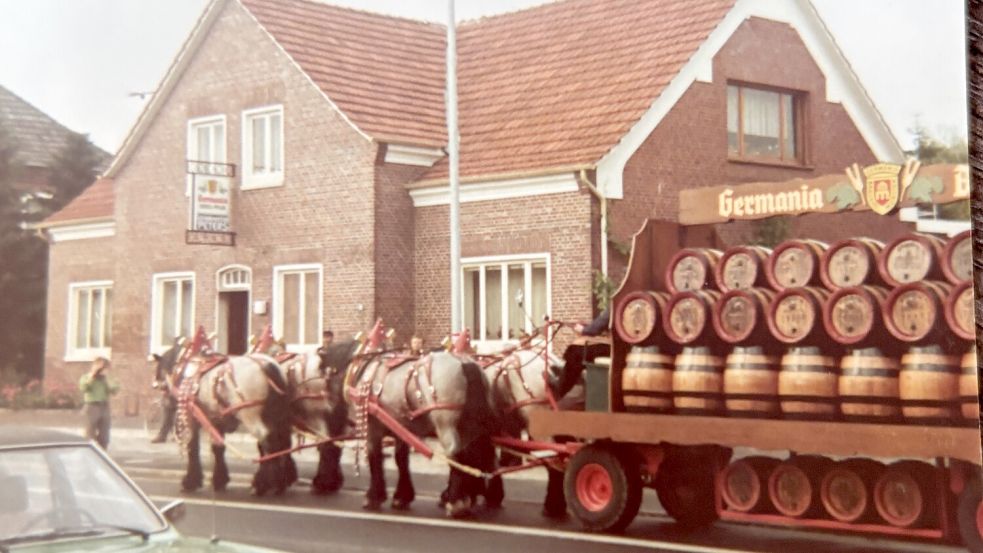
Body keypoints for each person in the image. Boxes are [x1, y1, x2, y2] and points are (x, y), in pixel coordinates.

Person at [78, 357, 119, 450]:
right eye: (100, 368)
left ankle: (103, 452)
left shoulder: (108, 378)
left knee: (104, 435)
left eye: (104, 368)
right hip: (91, 406)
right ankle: (89, 452)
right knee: (89, 433)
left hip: (104, 406)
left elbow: (115, 390)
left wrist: (106, 379)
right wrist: (92, 376)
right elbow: (83, 388)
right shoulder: (86, 377)